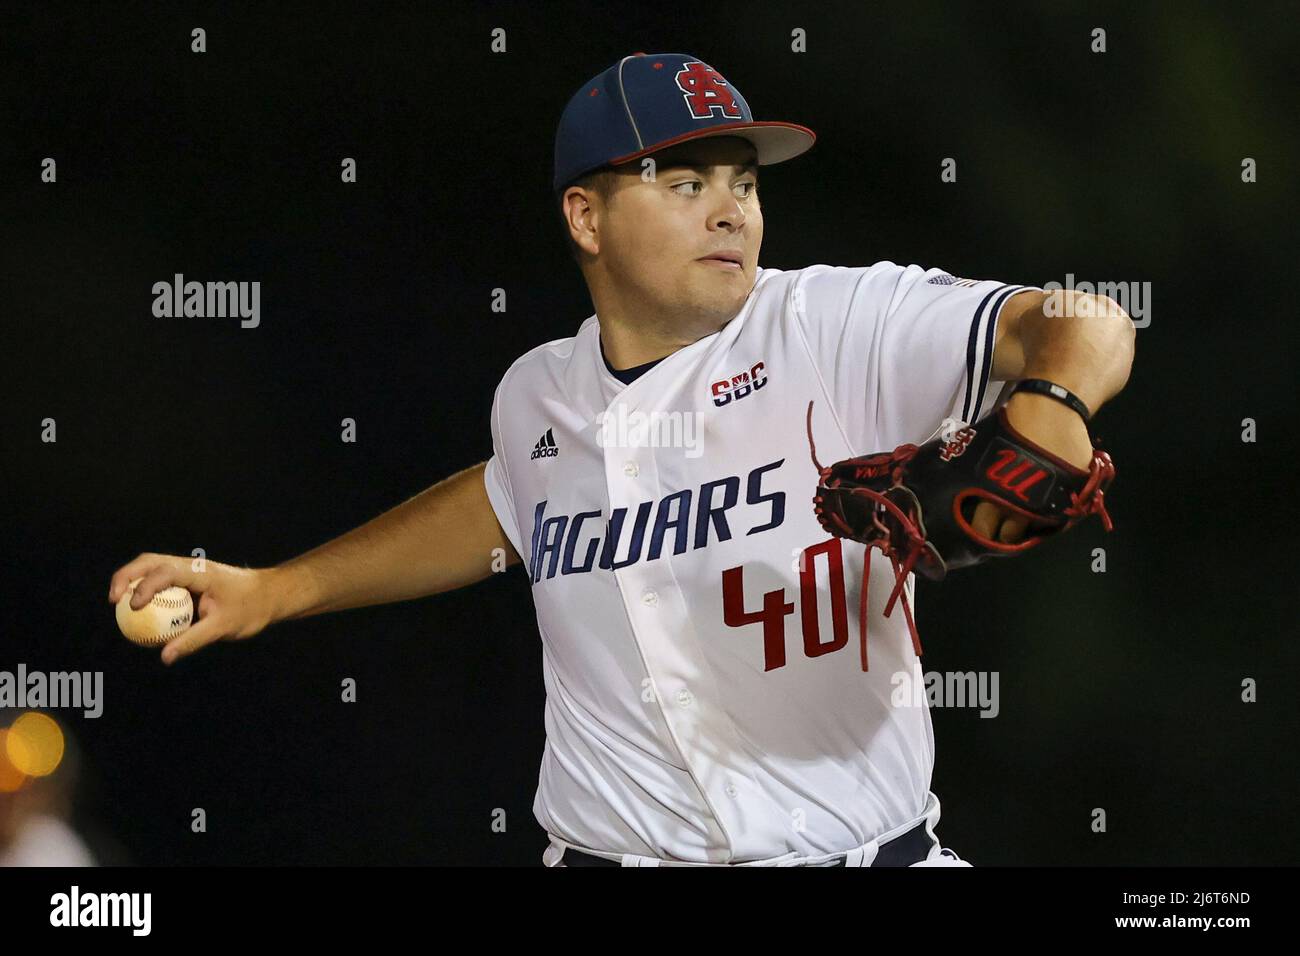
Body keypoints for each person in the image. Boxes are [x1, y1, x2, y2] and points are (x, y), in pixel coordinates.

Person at [108, 53, 1135, 867]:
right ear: (584, 216)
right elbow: (507, 502)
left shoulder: (832, 323)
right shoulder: (537, 395)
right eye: (686, 182)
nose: (731, 208)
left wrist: (1050, 401)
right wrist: (277, 590)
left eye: (741, 181)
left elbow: (1086, 319)